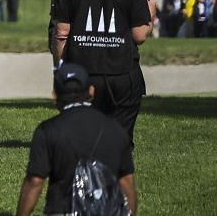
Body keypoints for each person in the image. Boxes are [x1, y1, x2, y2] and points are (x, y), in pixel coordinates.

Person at [51, 0, 152, 140]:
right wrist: (150, 13)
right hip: (121, 72)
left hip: (83, 71)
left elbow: (61, 33)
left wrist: (61, 66)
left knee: (83, 136)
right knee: (119, 140)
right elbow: (139, 34)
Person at [17, 62, 135, 216]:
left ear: (55, 95)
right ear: (91, 91)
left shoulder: (47, 130)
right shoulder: (116, 129)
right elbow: (127, 182)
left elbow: (35, 182)